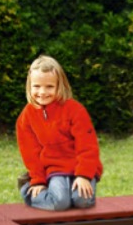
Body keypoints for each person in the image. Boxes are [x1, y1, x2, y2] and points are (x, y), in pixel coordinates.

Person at [16, 55, 103, 211]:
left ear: (60, 86)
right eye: (37, 86)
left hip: (82, 166)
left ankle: (73, 193)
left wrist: (83, 175)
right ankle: (28, 191)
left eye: (49, 86)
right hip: (55, 169)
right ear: (29, 86)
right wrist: (38, 180)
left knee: (82, 201)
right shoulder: (27, 116)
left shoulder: (75, 110)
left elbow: (88, 146)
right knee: (60, 203)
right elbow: (30, 153)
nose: (42, 92)